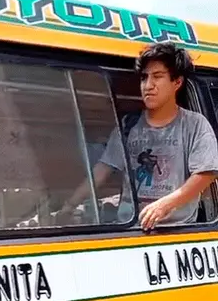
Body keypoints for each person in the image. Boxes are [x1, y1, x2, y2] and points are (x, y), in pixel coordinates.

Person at [61, 42, 218, 230]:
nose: (148, 85)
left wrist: (164, 205)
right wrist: (68, 206)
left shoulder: (194, 124)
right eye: (144, 78)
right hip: (131, 228)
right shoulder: (129, 125)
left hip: (175, 231)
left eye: (157, 77)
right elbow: (102, 170)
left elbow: (206, 173)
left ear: (177, 82)